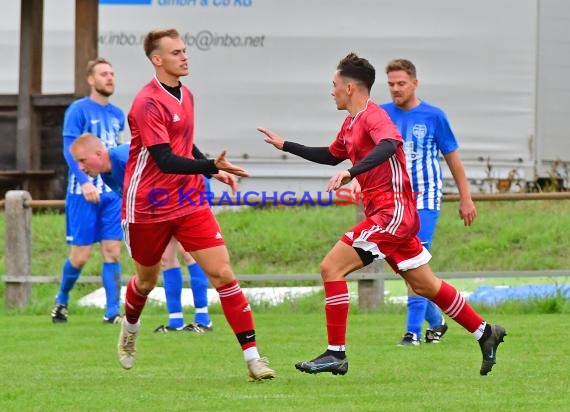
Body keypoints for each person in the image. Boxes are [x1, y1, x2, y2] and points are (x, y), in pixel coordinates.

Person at [258, 52, 506, 376]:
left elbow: (389, 144)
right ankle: (485, 332)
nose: (330, 91)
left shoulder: (375, 117)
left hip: (393, 212)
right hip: (391, 214)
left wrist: (352, 173)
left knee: (331, 267)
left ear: (349, 87)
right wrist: (286, 145)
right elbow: (332, 156)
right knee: (426, 286)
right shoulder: (350, 123)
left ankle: (336, 353)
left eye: (333, 85)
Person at [117, 28, 274, 381]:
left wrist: (211, 170)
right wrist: (209, 166)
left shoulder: (186, 94)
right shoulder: (146, 102)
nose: (184, 56)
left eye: (185, 51)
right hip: (148, 204)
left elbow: (183, 145)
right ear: (157, 60)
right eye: (176, 53)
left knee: (222, 273)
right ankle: (129, 328)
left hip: (188, 199)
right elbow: (164, 160)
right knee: (145, 281)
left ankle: (254, 359)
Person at [69, 133, 216, 333]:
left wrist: (206, 168)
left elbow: (172, 151)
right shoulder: (107, 174)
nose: (80, 167)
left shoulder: (124, 157)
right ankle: (176, 321)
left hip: (186, 186)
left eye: (82, 160)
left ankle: (203, 319)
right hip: (161, 200)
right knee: (165, 256)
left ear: (98, 153)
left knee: (187, 251)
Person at [382, 59, 477, 346]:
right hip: (394, 201)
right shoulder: (381, 114)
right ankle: (435, 321)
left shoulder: (434, 116)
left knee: (413, 262)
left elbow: (453, 160)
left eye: (401, 83)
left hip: (425, 199)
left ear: (414, 83)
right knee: (404, 267)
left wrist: (465, 198)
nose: (396, 89)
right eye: (391, 84)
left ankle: (412, 332)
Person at [52, 58, 124, 325]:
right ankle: (61, 300)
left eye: (112, 73)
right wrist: (84, 181)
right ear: (91, 80)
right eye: (104, 74)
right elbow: (69, 150)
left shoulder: (118, 115)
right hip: (81, 192)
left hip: (110, 193)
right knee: (80, 257)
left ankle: (113, 311)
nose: (109, 78)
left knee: (112, 251)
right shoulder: (78, 110)